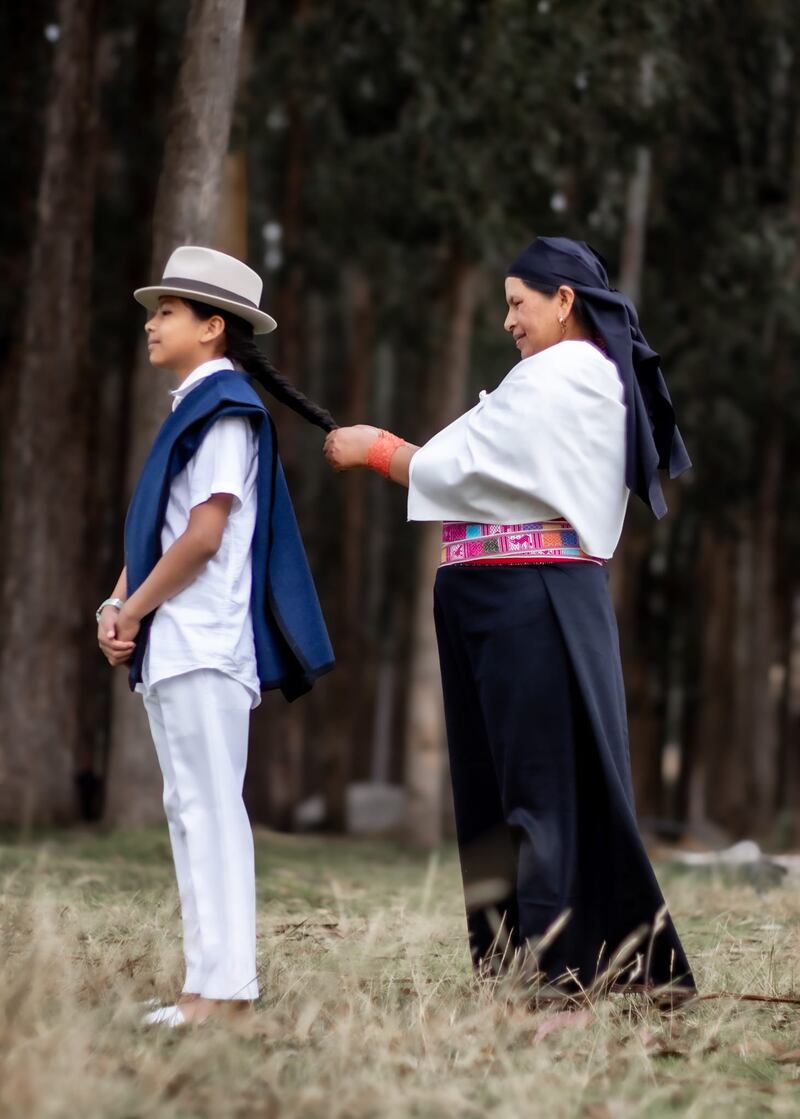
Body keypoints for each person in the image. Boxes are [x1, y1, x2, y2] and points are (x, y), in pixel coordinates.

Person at [324, 236, 695, 1000]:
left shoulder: (572, 373)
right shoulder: (545, 376)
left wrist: (377, 448)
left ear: (564, 301)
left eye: (518, 303)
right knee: (497, 802)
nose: (508, 321)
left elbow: (462, 463)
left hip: (536, 593)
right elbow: (474, 460)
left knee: (540, 798)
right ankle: (512, 974)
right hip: (497, 593)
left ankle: (563, 983)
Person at [97, 245, 336, 1026]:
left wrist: (134, 612)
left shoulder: (227, 408)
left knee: (211, 811)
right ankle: (206, 988)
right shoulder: (197, 404)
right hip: (178, 644)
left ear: (212, 326)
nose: (152, 323)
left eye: (167, 310)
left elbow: (204, 537)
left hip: (203, 642)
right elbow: (166, 531)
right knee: (189, 808)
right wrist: (118, 600)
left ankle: (227, 993)